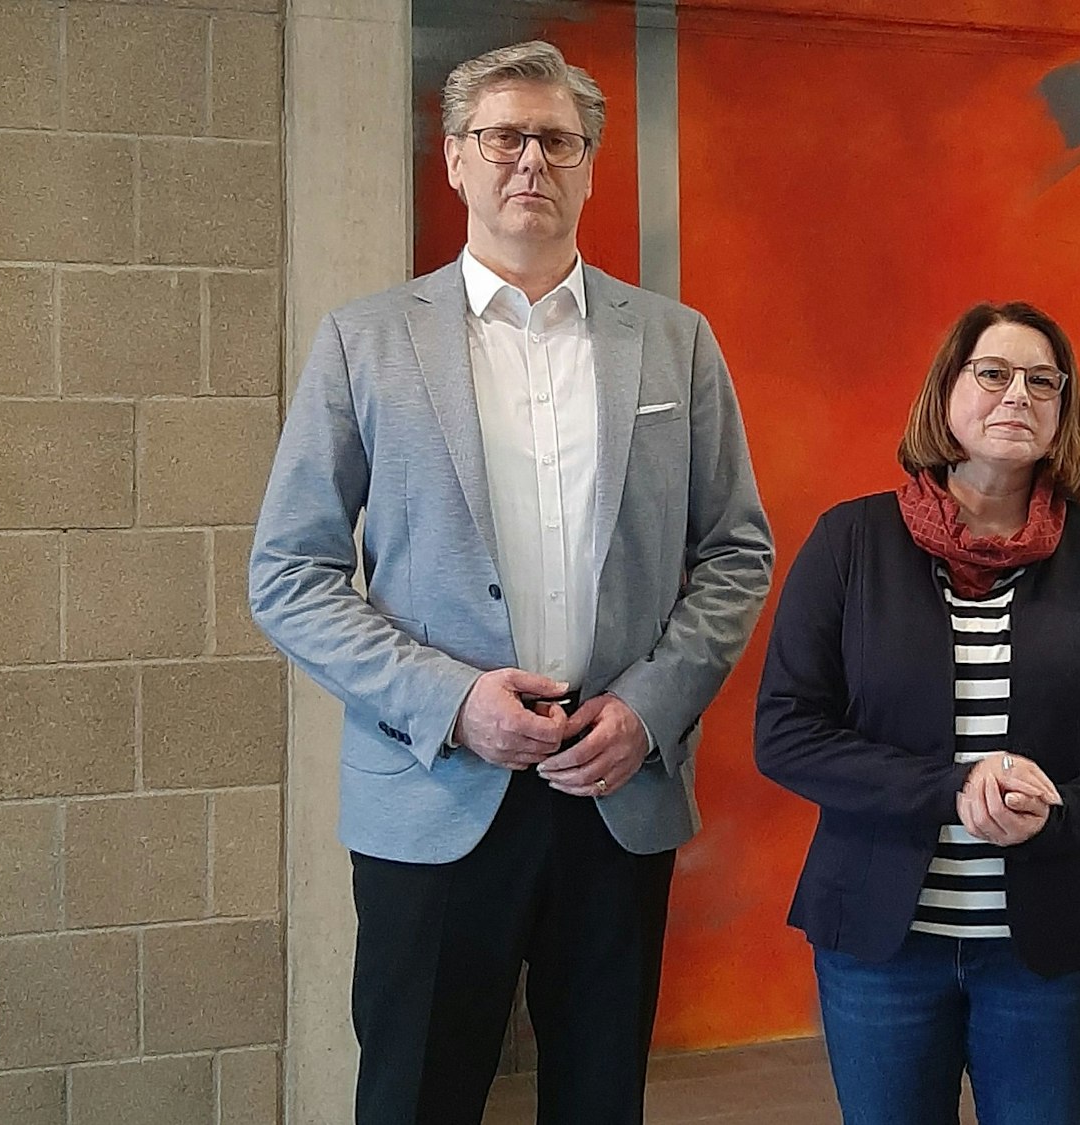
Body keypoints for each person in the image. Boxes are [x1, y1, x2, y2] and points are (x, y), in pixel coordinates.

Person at [249, 40, 773, 1125]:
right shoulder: (366, 342)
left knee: (597, 1098)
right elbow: (289, 574)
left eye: (557, 140)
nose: (529, 160)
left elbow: (736, 552)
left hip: (613, 788)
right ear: (453, 160)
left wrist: (649, 707)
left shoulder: (674, 344)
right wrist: (452, 702)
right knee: (416, 1098)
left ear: (587, 166)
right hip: (433, 792)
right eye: (503, 137)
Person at [754, 301, 1080, 1125]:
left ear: (1063, 410)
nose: (1016, 394)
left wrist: (1065, 808)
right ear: (945, 394)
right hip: (883, 946)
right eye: (992, 373)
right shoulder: (852, 542)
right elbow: (786, 732)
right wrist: (949, 787)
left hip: (1053, 952)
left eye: (1042, 381)